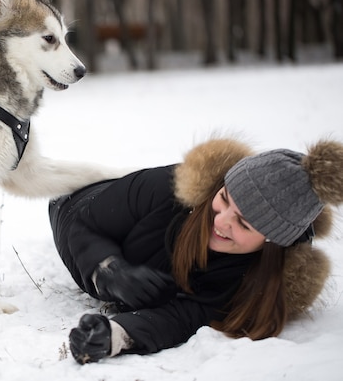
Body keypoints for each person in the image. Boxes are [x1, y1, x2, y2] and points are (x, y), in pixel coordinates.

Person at [48, 138, 343, 364]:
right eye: (225, 198)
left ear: (272, 243)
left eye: (244, 222)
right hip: (77, 204)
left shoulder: (256, 278)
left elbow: (186, 316)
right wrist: (107, 269)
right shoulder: (167, 190)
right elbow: (84, 225)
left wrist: (117, 336)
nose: (222, 221)